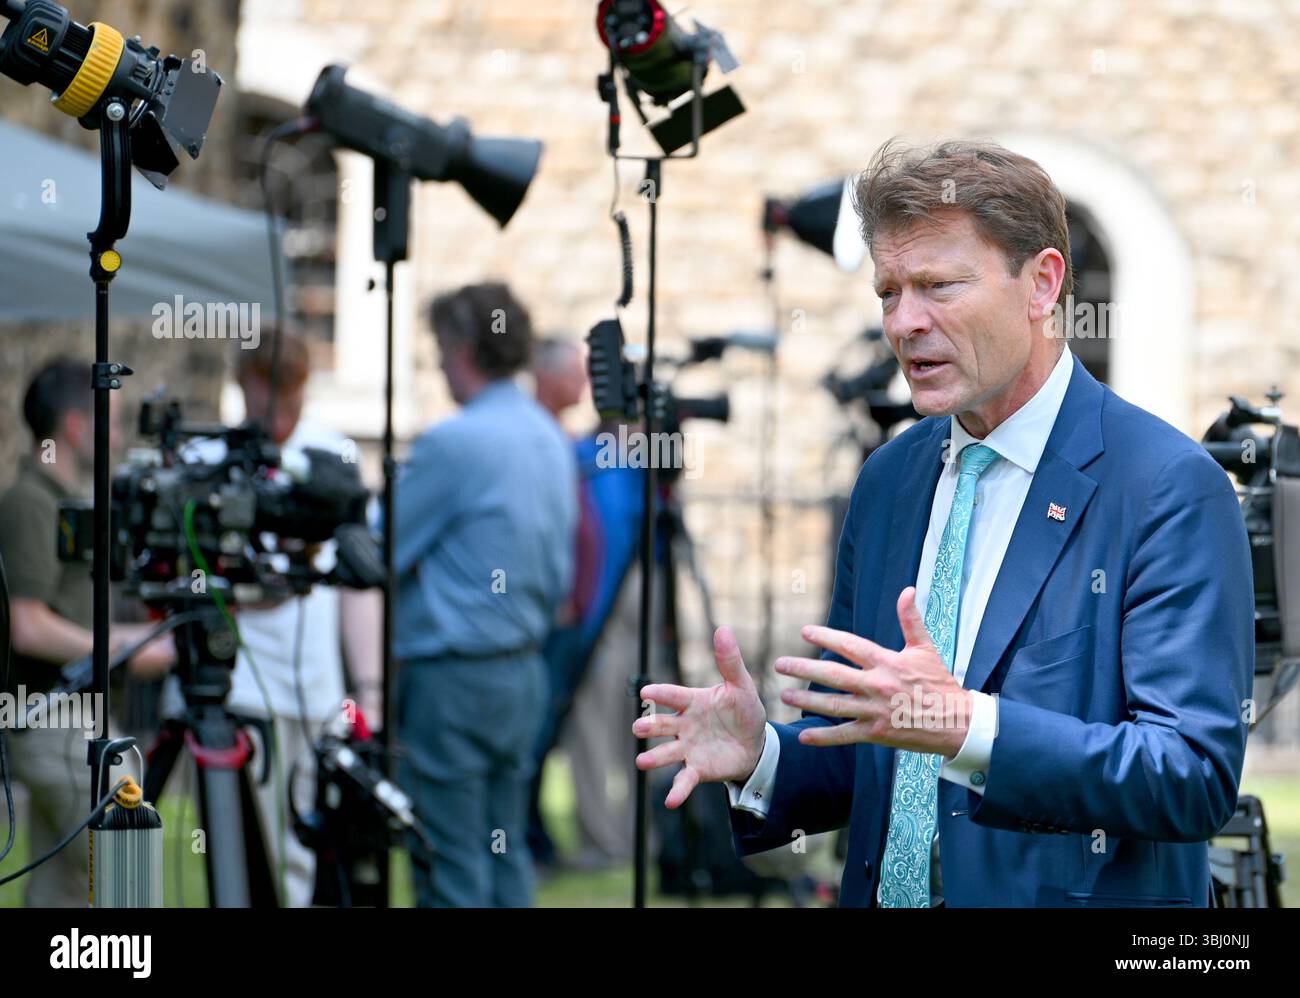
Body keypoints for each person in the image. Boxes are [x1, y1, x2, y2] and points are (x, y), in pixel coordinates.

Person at [633, 139, 1254, 908]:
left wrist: (966, 725)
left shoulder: (1165, 486)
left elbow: (1189, 776)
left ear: (1043, 283)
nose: (905, 322)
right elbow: (877, 749)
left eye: (938, 287)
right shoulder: (888, 480)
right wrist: (763, 757)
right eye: (889, 292)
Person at [173, 330, 382, 907]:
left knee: (304, 852)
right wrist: (244, 590)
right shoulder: (206, 461)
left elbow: (358, 584)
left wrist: (368, 691)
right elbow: (180, 581)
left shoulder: (330, 457)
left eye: (290, 406)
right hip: (234, 690)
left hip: (316, 692)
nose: (279, 422)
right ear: (242, 389)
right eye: (266, 405)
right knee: (242, 848)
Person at [394, 282, 577, 907]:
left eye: (441, 347)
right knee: (506, 855)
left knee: (450, 864)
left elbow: (376, 548)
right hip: (523, 670)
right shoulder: (548, 436)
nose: (439, 362)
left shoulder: (456, 441)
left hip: (454, 680)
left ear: (462, 348)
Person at [0, 359, 174, 907]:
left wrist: (143, 639)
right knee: (129, 874)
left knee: (65, 892)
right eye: (112, 421)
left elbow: (67, 619)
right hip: (57, 722)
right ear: (77, 426)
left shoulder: (61, 499)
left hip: (72, 721)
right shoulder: (31, 502)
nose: (118, 436)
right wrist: (124, 650)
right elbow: (27, 625)